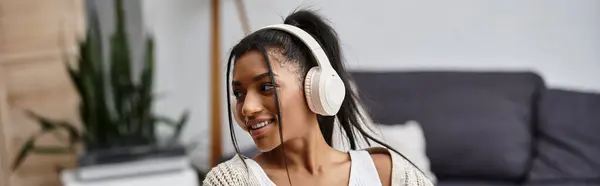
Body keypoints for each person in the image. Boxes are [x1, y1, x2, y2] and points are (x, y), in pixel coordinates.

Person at [202, 9, 433, 186]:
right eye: (239, 93)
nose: (246, 108)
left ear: (316, 87)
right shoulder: (231, 181)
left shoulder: (389, 174)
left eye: (266, 87)